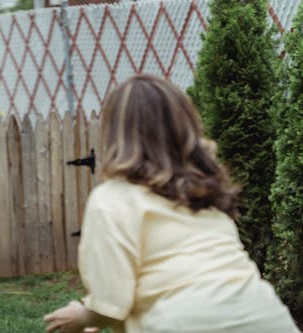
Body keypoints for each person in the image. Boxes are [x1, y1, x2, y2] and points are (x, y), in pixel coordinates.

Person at [43, 74, 300, 333]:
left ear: (114, 135)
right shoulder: (204, 193)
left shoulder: (112, 198)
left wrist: (84, 315)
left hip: (183, 321)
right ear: (186, 126)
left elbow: (112, 299)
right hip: (264, 313)